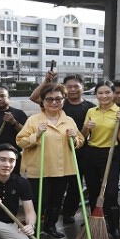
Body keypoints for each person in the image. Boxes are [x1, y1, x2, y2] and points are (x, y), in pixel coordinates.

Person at [17, 83, 84, 239]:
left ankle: (50, 226)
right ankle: (33, 228)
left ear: (63, 99)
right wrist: (37, 135)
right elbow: (21, 141)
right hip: (40, 169)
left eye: (58, 99)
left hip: (63, 169)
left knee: (56, 201)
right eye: (49, 99)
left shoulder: (68, 120)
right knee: (38, 202)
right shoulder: (33, 120)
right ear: (42, 101)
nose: (54, 102)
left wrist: (74, 138)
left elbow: (79, 142)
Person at [29, 73, 93, 224]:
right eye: (69, 86)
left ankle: (68, 213)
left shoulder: (90, 107)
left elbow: (85, 136)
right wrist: (46, 81)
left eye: (76, 86)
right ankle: (44, 218)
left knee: (76, 185)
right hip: (56, 153)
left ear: (83, 87)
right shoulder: (56, 103)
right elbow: (34, 97)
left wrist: (80, 134)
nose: (73, 89)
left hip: (79, 151)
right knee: (55, 188)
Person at [80, 81, 120, 239]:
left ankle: (114, 228)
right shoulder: (90, 111)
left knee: (110, 193)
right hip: (92, 153)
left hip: (111, 153)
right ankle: (97, 222)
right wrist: (87, 127)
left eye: (108, 92)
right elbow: (83, 136)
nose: (104, 96)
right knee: (94, 191)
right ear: (96, 95)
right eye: (100, 93)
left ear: (113, 93)